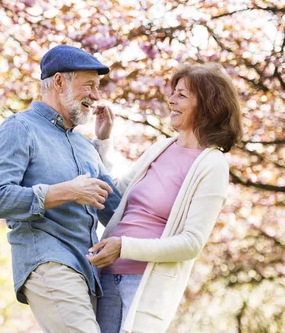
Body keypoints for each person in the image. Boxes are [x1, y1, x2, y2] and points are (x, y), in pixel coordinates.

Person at [87, 63, 243, 333]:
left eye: (182, 95)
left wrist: (124, 247)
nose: (170, 99)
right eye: (173, 92)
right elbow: (114, 198)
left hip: (144, 286)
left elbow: (190, 243)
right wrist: (103, 142)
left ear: (208, 106)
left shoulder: (212, 164)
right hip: (107, 277)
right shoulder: (161, 147)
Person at [0, 45, 121, 333]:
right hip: (48, 262)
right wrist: (67, 192)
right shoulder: (19, 128)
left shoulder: (85, 146)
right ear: (59, 82)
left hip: (89, 272)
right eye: (90, 86)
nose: (96, 96)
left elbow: (116, 210)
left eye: (98, 87)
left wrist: (104, 144)